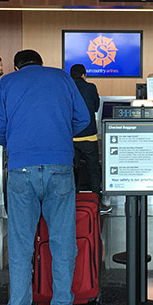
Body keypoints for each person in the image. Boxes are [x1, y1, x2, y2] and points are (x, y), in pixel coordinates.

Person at [0, 49, 90, 305]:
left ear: (17, 66)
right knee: (63, 240)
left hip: (20, 169)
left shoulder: (7, 82)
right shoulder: (62, 78)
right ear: (41, 63)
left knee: (20, 241)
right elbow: (83, 118)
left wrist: (18, 141)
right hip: (60, 167)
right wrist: (58, 134)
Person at [69, 63, 110, 213]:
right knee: (93, 169)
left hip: (71, 137)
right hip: (89, 135)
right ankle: (97, 203)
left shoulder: (66, 88)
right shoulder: (90, 87)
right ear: (84, 75)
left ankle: (71, 202)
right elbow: (96, 108)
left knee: (73, 169)